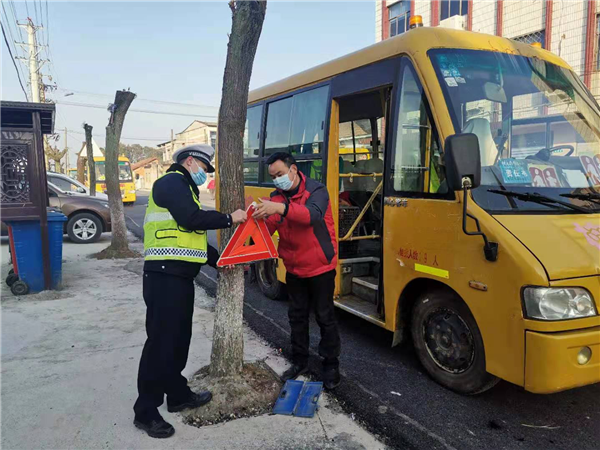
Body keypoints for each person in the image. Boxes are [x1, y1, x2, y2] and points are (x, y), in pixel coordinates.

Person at [133, 144, 247, 439]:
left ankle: (178, 395)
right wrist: (228, 218)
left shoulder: (185, 187)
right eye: (205, 169)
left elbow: (192, 239)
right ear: (191, 161)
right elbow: (191, 219)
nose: (206, 176)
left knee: (178, 340)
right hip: (163, 278)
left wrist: (221, 261)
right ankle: (145, 412)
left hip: (178, 278)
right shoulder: (170, 182)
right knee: (160, 344)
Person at [253, 152, 341, 390]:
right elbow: (269, 227)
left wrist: (279, 208)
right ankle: (300, 361)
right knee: (297, 317)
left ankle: (331, 365)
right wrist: (256, 221)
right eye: (273, 176)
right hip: (293, 267)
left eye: (280, 174)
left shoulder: (317, 191)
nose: (276, 180)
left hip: (320, 266)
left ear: (293, 170)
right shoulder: (276, 197)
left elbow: (311, 216)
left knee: (325, 316)